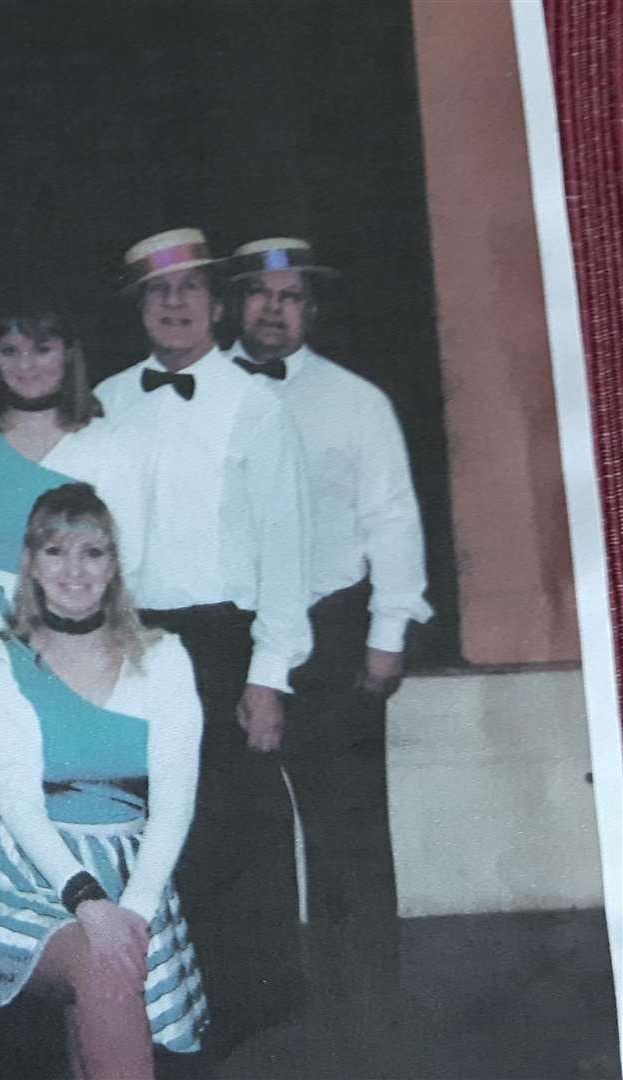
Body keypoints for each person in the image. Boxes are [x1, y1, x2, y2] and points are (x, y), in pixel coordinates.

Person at [92, 227, 312, 1053]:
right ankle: (149, 1011)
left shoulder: (257, 406)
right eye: (159, 293)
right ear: (140, 309)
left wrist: (268, 675)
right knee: (145, 826)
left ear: (218, 305)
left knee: (230, 829)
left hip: (223, 642)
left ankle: (243, 1018)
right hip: (128, 640)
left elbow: (285, 549)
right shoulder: (108, 400)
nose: (175, 305)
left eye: (190, 291)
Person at [0, 482, 209, 1077]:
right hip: (26, 876)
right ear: (30, 565)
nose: (74, 571)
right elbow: (17, 802)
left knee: (105, 978)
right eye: (55, 552)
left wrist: (137, 908)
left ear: (115, 565)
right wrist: (90, 903)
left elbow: (175, 798)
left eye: (92, 553)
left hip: (134, 872)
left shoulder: (164, 655)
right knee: (102, 962)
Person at [230, 237, 431, 976]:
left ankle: (369, 991)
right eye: (259, 293)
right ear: (234, 303)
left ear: (311, 308)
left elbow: (392, 519)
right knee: (242, 821)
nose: (274, 310)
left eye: (289, 297)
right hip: (235, 633)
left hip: (333, 628)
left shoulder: (357, 402)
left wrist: (387, 634)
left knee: (348, 822)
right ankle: (265, 994)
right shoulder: (208, 395)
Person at [0, 305, 150, 646]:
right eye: (10, 351)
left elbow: (128, 559)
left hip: (89, 637)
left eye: (42, 350)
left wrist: (81, 640)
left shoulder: (110, 441)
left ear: (68, 354)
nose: (25, 365)